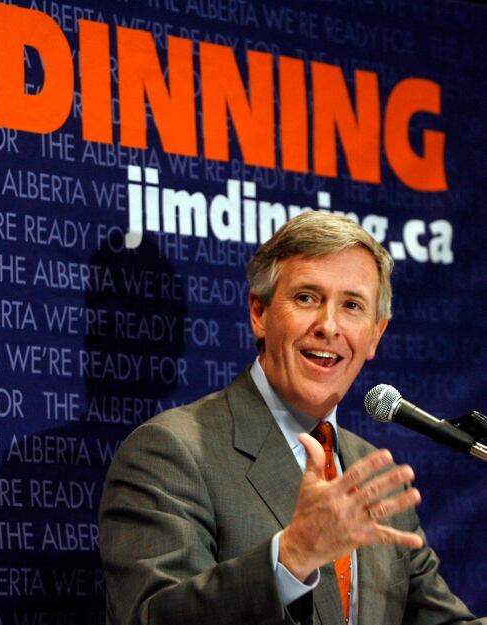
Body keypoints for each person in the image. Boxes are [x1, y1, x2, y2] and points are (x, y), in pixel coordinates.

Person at [98, 212, 484, 625]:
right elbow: (149, 617)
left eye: (352, 305)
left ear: (375, 335)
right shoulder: (172, 450)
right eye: (307, 298)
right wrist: (293, 556)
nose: (328, 326)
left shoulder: (373, 478)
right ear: (259, 312)